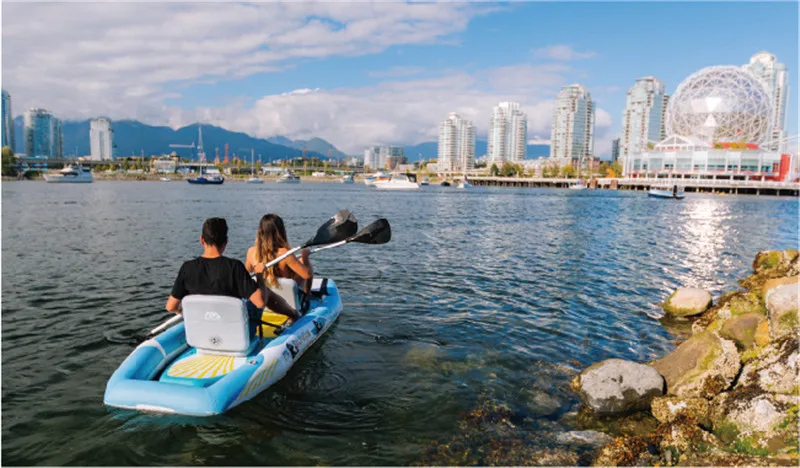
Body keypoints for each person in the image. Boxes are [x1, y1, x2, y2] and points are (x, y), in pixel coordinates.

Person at [166, 217, 300, 330]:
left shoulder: (186, 268)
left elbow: (171, 306)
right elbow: (260, 303)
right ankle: (294, 315)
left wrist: (186, 313)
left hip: (204, 330)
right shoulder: (234, 267)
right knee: (265, 292)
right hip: (235, 332)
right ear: (226, 242)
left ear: (201, 239)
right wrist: (259, 276)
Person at [245, 214, 313, 295]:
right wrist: (305, 257)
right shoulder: (285, 253)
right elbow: (307, 275)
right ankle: (307, 295)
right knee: (302, 262)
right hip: (285, 298)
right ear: (280, 232)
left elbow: (246, 275)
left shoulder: (251, 252)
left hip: (265, 298)